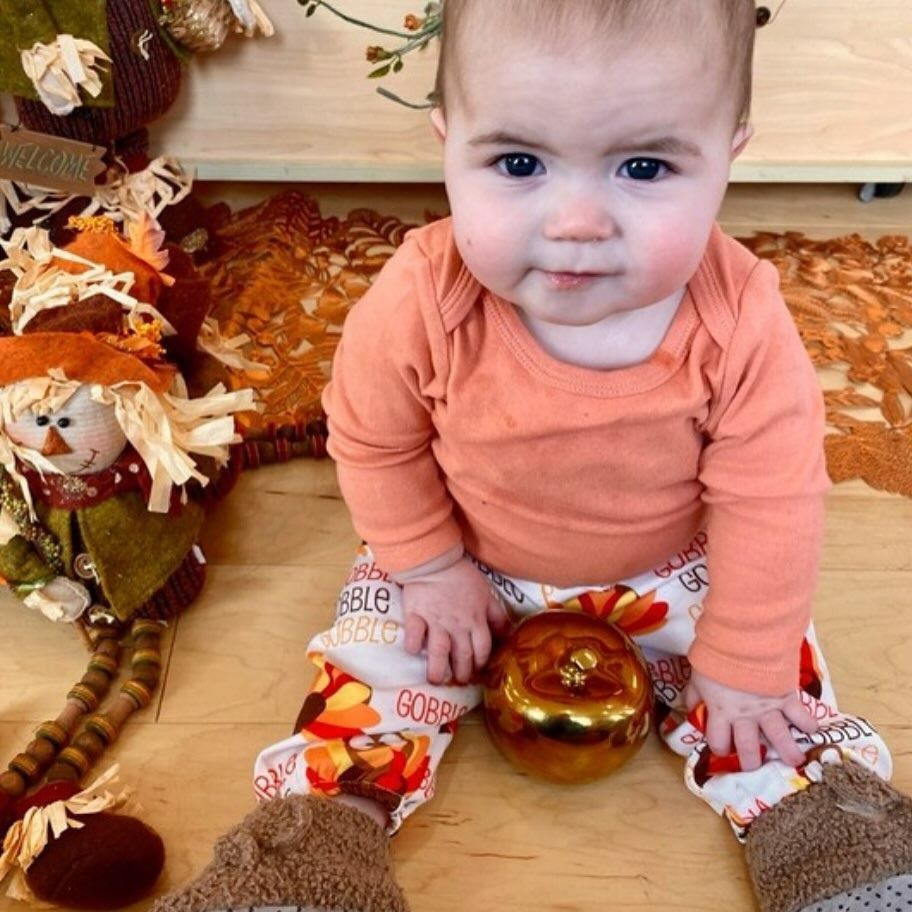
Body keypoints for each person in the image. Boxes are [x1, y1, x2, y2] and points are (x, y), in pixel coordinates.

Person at [154, 3, 912, 912]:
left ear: (729, 154)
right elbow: (374, 440)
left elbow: (774, 499)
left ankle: (833, 837)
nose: (578, 221)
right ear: (448, 144)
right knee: (368, 672)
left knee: (772, 706)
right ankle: (315, 850)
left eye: (644, 166)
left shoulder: (742, 320)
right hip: (459, 559)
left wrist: (744, 661)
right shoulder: (422, 297)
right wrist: (427, 566)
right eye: (518, 164)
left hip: (676, 569)